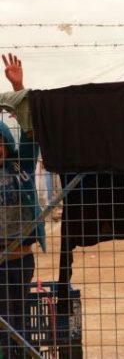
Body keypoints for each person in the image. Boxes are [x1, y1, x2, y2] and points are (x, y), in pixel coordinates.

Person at [1, 53, 44, 359]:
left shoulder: (21, 164)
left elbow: (32, 133)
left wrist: (18, 87)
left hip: (20, 259)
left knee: (18, 317)